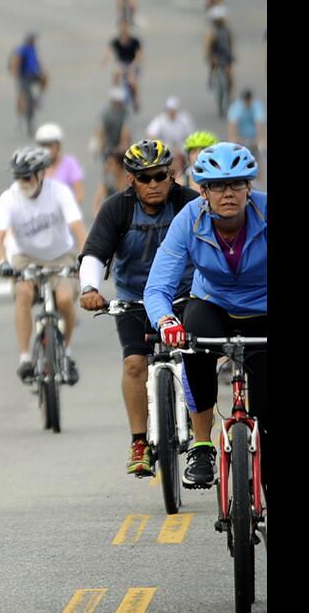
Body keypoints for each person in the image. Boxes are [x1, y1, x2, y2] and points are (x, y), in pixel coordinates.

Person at [144, 143, 266, 489]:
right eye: (218, 186)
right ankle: (201, 445)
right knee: (192, 335)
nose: (228, 193)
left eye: (237, 184)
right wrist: (166, 321)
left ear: (249, 187)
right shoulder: (189, 220)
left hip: (263, 308)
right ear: (203, 191)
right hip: (213, 304)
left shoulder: (265, 212)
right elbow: (158, 287)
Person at [78, 139, 199, 476]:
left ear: (171, 175)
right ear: (130, 179)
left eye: (161, 176)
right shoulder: (117, 208)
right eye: (144, 178)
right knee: (134, 364)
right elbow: (94, 254)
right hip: (135, 297)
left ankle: (198, 430)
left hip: (184, 295)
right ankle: (139, 442)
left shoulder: (189, 203)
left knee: (195, 360)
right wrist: (89, 288)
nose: (154, 184)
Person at [0, 146, 88, 383]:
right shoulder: (9, 198)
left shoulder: (60, 192)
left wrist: (85, 257)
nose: (22, 182)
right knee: (23, 293)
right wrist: (3, 262)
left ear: (41, 174)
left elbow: (78, 229)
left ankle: (66, 351)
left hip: (61, 255)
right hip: (26, 258)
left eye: (27, 176)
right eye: (18, 176)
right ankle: (25, 357)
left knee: (65, 299)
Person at [91, 87, 132, 216]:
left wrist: (123, 146)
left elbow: (126, 131)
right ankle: (107, 190)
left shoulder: (125, 112)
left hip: (120, 147)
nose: (118, 105)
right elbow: (100, 131)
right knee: (107, 171)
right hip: (109, 146)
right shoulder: (105, 112)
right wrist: (102, 147)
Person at [146, 97, 197, 184]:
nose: (172, 112)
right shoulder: (160, 120)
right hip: (167, 147)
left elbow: (192, 135)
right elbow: (151, 134)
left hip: (181, 147)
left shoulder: (184, 119)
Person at [36, 122, 86, 208]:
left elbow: (79, 193)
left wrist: (69, 211)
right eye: (43, 146)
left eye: (50, 146)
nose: (47, 150)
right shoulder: (34, 166)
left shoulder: (70, 163)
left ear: (58, 146)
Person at [9, 33, 47, 131]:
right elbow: (15, 62)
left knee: (45, 79)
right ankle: (21, 119)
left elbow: (36, 62)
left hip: (33, 75)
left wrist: (41, 71)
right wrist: (16, 77)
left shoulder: (32, 49)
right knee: (23, 97)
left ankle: (39, 97)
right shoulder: (22, 49)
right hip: (24, 77)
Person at [104, 20, 142, 112]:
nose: (124, 29)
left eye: (126, 27)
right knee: (116, 75)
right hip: (121, 63)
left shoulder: (134, 41)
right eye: (122, 27)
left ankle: (135, 100)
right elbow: (109, 52)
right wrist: (105, 60)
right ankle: (115, 96)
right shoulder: (116, 40)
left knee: (132, 81)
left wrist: (133, 65)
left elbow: (139, 55)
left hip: (132, 63)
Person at [227, 89, 267, 162]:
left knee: (256, 161)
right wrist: (233, 138)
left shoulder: (257, 106)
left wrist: (260, 139)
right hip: (241, 137)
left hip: (253, 137)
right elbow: (232, 124)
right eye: (245, 100)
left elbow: (259, 123)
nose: (247, 102)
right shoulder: (236, 107)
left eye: (248, 100)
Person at [205, 6, 235, 97]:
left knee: (229, 73)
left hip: (225, 55)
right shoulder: (212, 32)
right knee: (212, 65)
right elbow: (208, 46)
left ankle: (229, 91)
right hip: (216, 54)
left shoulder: (226, 31)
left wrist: (231, 54)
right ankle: (210, 79)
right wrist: (209, 55)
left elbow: (230, 43)